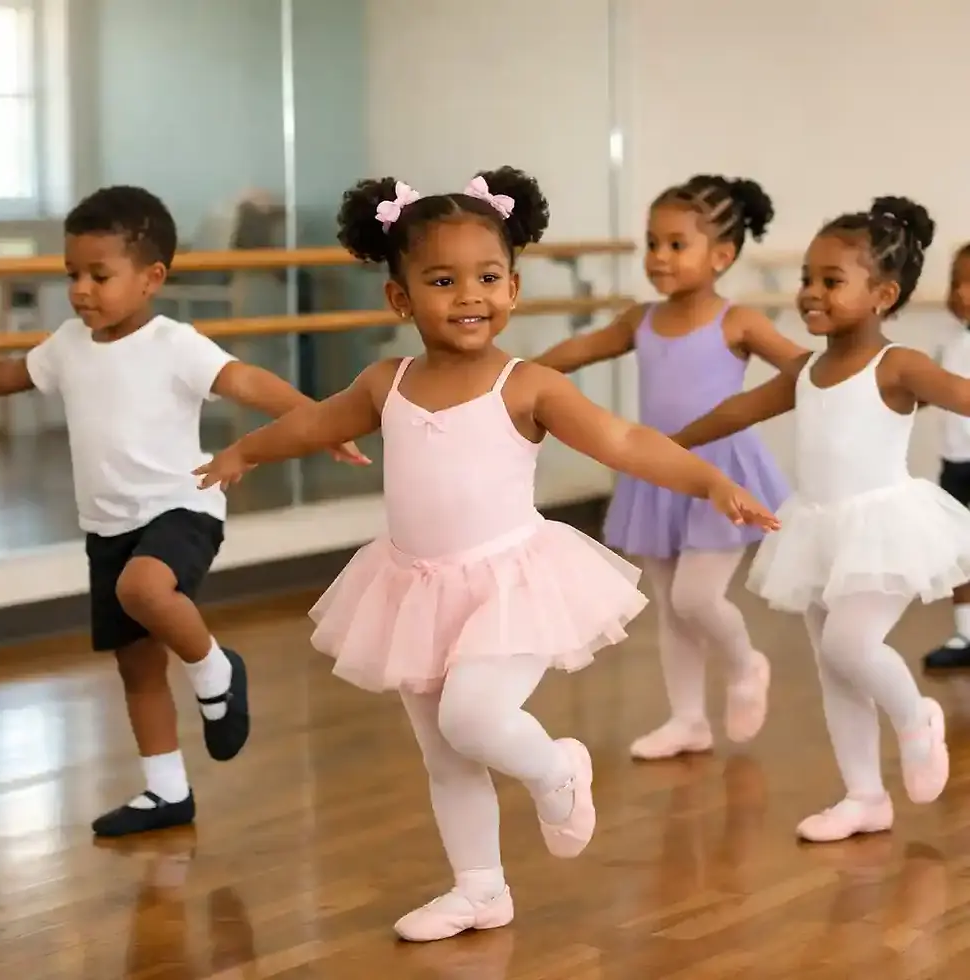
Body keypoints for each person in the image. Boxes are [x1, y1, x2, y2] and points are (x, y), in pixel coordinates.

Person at [194, 166, 780, 942]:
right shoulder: (386, 382)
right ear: (400, 298)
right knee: (444, 753)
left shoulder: (526, 385)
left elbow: (625, 439)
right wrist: (245, 452)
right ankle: (479, 889)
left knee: (474, 717)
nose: (470, 295)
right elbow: (314, 425)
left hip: (511, 584)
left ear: (513, 285)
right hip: (414, 586)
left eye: (488, 276)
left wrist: (708, 479)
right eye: (443, 280)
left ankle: (557, 767)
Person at [0, 185, 368, 838]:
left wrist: (317, 420)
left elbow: (248, 381)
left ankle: (218, 670)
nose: (82, 289)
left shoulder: (175, 344)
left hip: (181, 505)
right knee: (136, 666)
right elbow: (11, 374)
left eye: (99, 275)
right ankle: (166, 791)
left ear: (152, 278)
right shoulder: (67, 346)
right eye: (72, 274)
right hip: (106, 525)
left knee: (144, 589)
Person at [674, 196, 967, 843]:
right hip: (817, 531)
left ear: (883, 295)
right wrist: (663, 446)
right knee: (834, 670)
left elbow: (965, 396)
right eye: (808, 278)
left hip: (885, 529)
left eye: (830, 281)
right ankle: (864, 796)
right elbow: (736, 411)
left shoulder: (899, 366)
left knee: (850, 645)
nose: (810, 293)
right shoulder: (805, 370)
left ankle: (916, 715)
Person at [535, 175, 800, 760]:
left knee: (696, 599)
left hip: (722, 474)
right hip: (656, 471)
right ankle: (688, 720)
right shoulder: (640, 320)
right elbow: (574, 353)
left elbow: (803, 369)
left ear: (722, 256)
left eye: (676, 244)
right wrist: (509, 375)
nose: (658, 256)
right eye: (652, 243)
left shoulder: (738, 322)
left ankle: (745, 663)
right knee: (670, 605)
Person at [923, 243, 970, 669]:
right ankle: (965, 632)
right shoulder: (949, 342)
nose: (966, 292)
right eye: (961, 282)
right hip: (956, 462)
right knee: (960, 550)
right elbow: (929, 390)